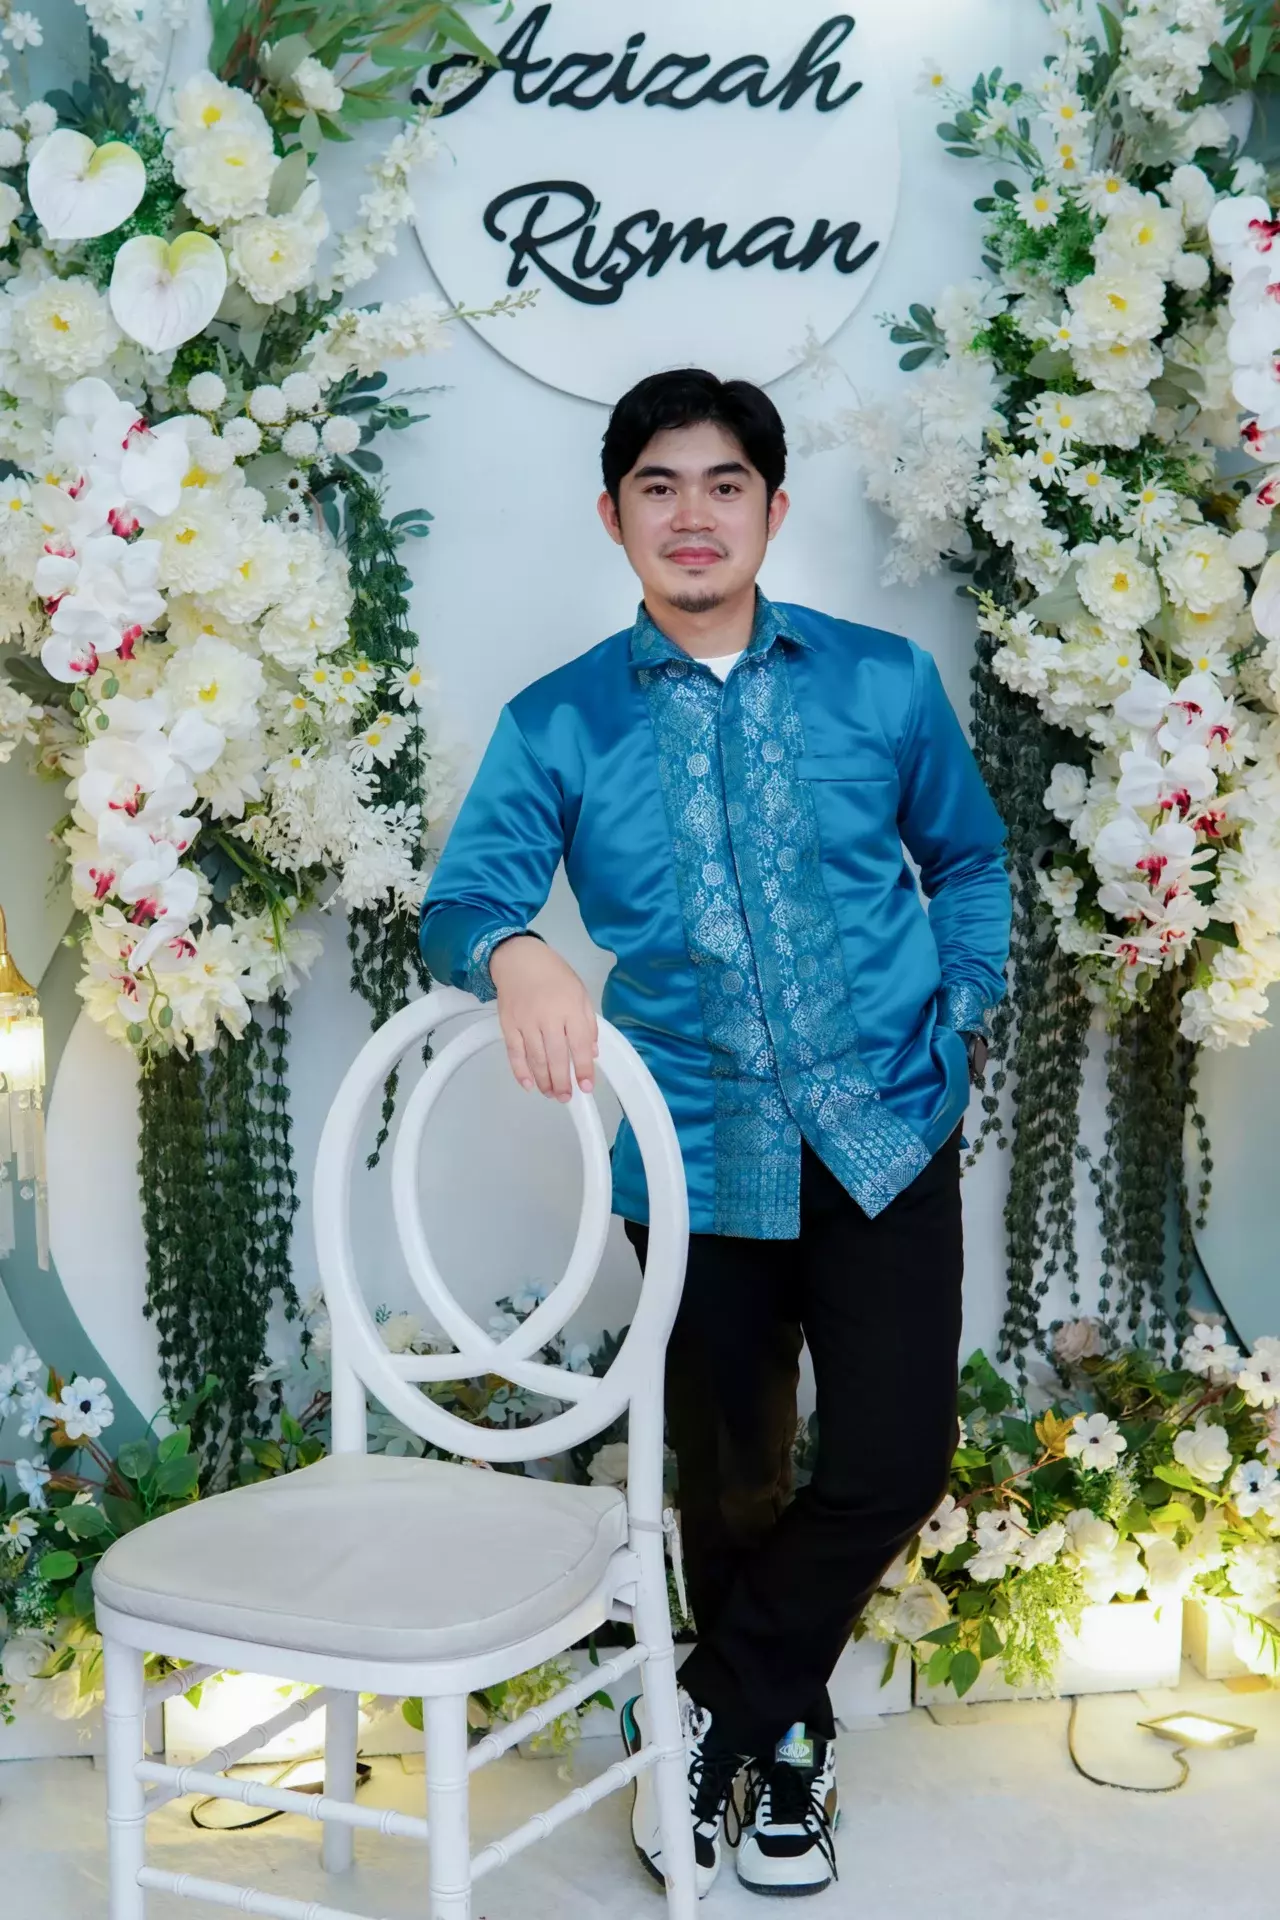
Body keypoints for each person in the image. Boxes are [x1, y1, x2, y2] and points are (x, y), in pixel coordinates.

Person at [419, 368, 1012, 1899]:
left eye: (725, 484)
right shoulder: (559, 719)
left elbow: (967, 862)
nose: (695, 514)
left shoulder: (883, 683)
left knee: (894, 1457)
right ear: (613, 516)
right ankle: (784, 1746)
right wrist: (519, 952)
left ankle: (701, 1708)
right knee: (732, 1475)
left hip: (888, 1127)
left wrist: (956, 1010)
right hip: (691, 1156)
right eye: (661, 487)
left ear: (773, 508)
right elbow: (462, 899)